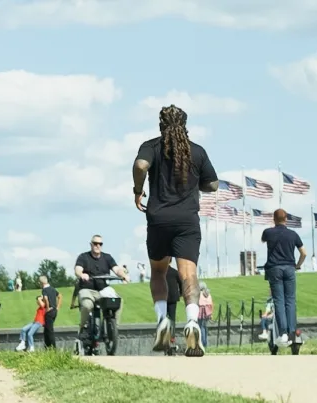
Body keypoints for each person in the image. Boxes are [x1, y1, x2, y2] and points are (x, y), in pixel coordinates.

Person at [132, 104, 219, 357]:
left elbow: (140, 166)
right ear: (185, 125)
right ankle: (192, 321)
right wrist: (195, 184)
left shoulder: (151, 146)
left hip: (158, 218)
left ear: (160, 125)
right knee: (188, 274)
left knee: (159, 272)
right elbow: (212, 184)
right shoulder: (197, 151)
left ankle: (162, 320)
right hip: (187, 221)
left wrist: (138, 191)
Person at [260, 208, 307, 347]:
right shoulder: (293, 234)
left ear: (273, 219)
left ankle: (283, 333)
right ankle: (292, 332)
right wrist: (297, 265)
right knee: (290, 301)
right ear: (286, 219)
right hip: (290, 268)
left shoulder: (268, 232)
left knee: (279, 301)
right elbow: (304, 253)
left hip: (274, 269)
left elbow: (263, 240)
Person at [73, 235, 129, 337]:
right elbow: (77, 269)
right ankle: (83, 326)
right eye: (95, 243)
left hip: (103, 290)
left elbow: (116, 269)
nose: (97, 246)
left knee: (118, 301)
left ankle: (113, 328)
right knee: (87, 305)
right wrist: (82, 274)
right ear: (91, 244)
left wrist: (124, 276)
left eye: (100, 244)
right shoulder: (83, 257)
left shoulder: (107, 257)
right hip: (87, 289)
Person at [39, 275, 61, 349]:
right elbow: (60, 296)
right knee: (46, 330)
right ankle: (47, 348)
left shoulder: (44, 290)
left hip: (49, 312)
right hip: (54, 311)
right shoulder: (52, 289)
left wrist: (47, 308)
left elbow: (46, 298)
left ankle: (53, 349)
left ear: (41, 283)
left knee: (50, 331)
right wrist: (58, 307)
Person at [197, 282, 213, 348]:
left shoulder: (199, 294)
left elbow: (197, 303)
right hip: (208, 312)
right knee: (205, 327)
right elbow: (211, 303)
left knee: (201, 327)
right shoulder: (208, 294)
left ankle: (203, 343)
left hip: (201, 313)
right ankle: (205, 342)